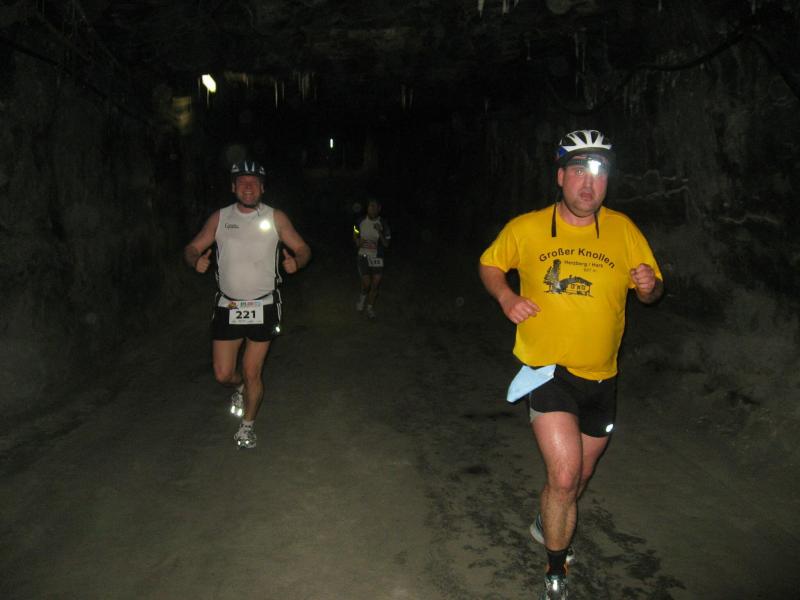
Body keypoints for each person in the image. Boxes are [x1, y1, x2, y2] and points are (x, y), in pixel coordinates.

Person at [478, 130, 663, 599]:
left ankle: (548, 520)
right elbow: (490, 264)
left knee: (579, 476)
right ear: (560, 177)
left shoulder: (623, 230)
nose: (588, 183)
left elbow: (652, 290)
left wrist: (648, 286)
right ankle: (556, 571)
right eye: (578, 171)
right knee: (563, 476)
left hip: (603, 377)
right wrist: (506, 298)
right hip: (548, 371)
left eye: (598, 173)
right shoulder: (527, 228)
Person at [184, 160, 311, 449]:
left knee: (253, 370)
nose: (248, 187)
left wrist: (298, 262)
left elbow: (303, 248)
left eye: (254, 182)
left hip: (263, 306)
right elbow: (191, 248)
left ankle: (247, 426)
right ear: (233, 187)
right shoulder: (220, 218)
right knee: (223, 374)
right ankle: (239, 386)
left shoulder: (276, 217)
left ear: (263, 188)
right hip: (228, 307)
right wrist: (195, 260)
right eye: (242, 181)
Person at [353, 199, 391, 318]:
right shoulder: (360, 221)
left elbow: (386, 244)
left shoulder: (383, 223)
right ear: (367, 208)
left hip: (377, 257)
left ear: (379, 209)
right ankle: (362, 299)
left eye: (375, 206)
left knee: (375, 285)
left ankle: (370, 308)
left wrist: (379, 231)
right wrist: (357, 241)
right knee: (367, 284)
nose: (372, 209)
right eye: (370, 206)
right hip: (363, 256)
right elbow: (355, 231)